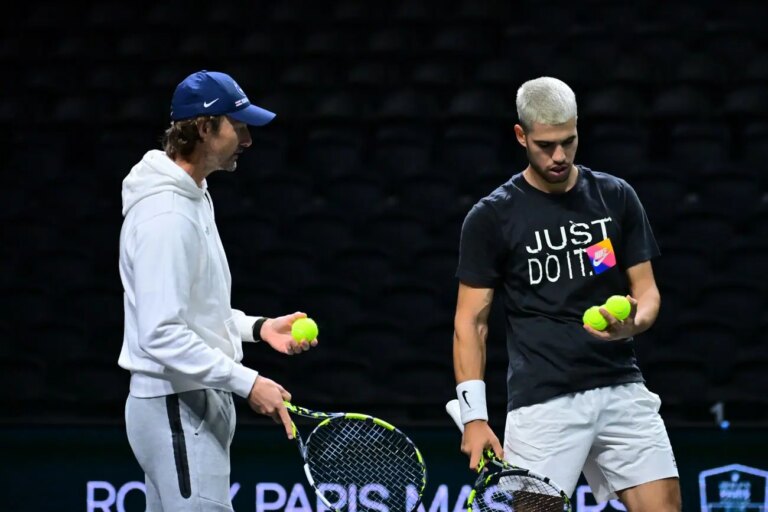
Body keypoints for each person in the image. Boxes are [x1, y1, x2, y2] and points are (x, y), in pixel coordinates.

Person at [452, 76, 681, 511]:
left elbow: (647, 293)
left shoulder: (616, 196)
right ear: (521, 136)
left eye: (568, 141)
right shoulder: (491, 217)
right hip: (543, 399)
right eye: (545, 145)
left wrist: (636, 322)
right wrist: (474, 417)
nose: (559, 156)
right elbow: (471, 321)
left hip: (621, 386)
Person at [118, 70, 318, 511]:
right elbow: (161, 333)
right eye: (239, 126)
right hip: (175, 406)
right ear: (205, 128)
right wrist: (249, 383)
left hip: (189, 401)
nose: (247, 140)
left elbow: (196, 310)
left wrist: (258, 328)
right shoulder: (165, 216)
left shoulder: (194, 196)